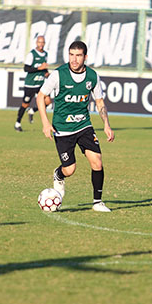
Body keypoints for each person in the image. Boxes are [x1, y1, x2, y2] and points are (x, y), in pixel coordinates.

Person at [36, 40, 114, 212]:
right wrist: (45, 123)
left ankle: (97, 202)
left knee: (97, 162)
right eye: (71, 55)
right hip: (62, 129)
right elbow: (40, 97)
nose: (74, 59)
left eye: (78, 56)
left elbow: (100, 102)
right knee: (70, 169)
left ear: (85, 57)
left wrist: (106, 125)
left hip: (84, 125)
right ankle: (59, 175)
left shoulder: (92, 76)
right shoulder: (58, 75)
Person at [15, 35, 50, 132]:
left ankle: (32, 110)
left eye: (43, 42)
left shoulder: (45, 54)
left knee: (47, 101)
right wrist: (39, 68)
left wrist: (46, 73)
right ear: (36, 43)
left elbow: (44, 67)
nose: (41, 44)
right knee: (25, 104)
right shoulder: (32, 54)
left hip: (40, 84)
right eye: (39, 42)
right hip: (30, 84)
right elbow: (26, 68)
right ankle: (17, 123)